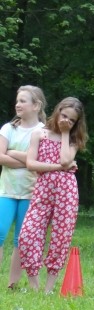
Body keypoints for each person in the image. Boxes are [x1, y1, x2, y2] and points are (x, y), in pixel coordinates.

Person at [18, 97, 87, 293]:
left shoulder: (73, 140)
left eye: (71, 120)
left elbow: (66, 159)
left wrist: (65, 133)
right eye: (64, 116)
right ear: (57, 111)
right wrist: (58, 167)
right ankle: (34, 287)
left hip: (67, 192)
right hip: (43, 190)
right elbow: (31, 164)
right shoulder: (39, 134)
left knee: (61, 237)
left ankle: (48, 290)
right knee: (28, 234)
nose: (66, 121)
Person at [0, 85, 46, 290]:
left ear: (36, 105)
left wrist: (13, 153)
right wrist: (29, 161)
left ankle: (12, 284)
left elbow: (41, 162)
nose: (17, 104)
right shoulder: (8, 129)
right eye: (17, 101)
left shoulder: (44, 132)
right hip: (6, 191)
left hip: (31, 193)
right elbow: (0, 157)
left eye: (23, 101)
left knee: (22, 239)